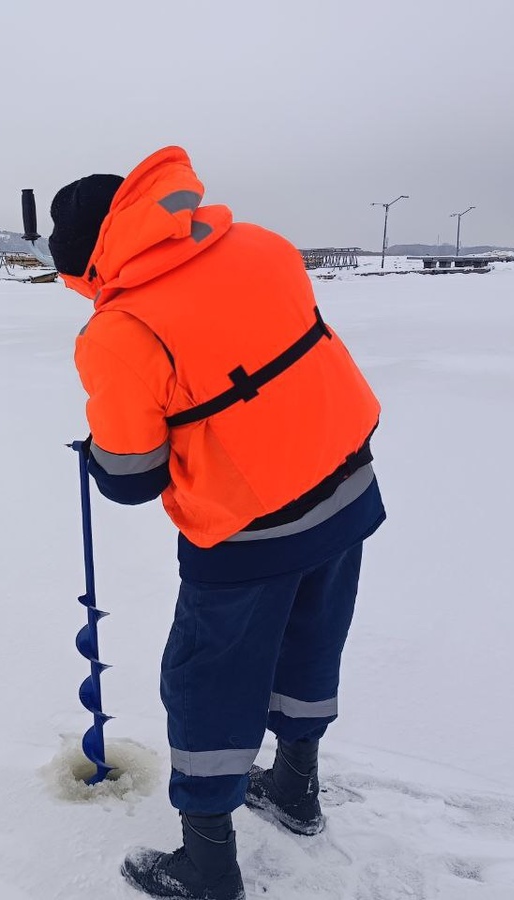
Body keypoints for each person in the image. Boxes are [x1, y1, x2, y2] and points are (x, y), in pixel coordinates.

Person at [47, 146, 386, 900]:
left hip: (247, 527)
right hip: (346, 484)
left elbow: (133, 478)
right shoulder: (261, 245)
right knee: (311, 636)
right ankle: (296, 789)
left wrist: (101, 456)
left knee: (208, 682)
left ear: (87, 262)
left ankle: (207, 865)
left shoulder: (118, 328)